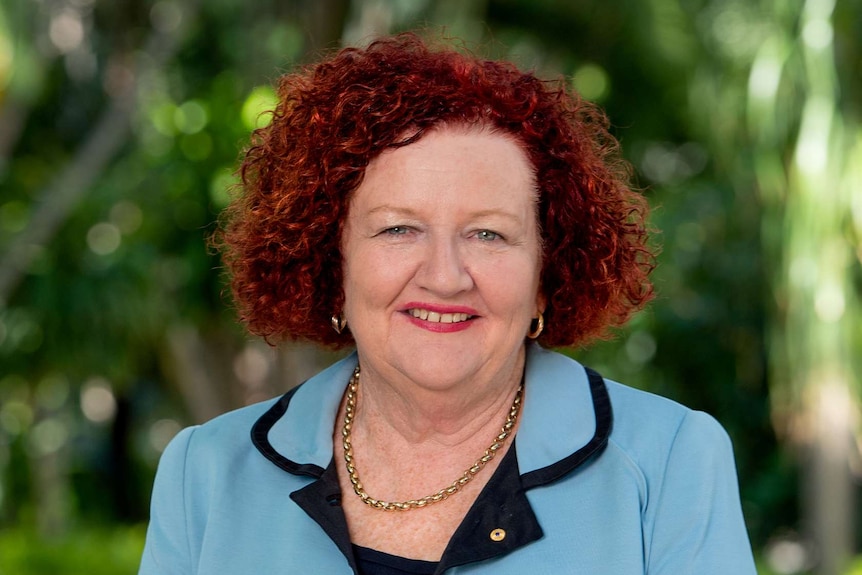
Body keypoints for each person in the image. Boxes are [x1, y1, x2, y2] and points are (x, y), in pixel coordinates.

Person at [139, 33, 756, 574]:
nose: (445, 276)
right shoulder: (205, 474)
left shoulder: (671, 462)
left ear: (546, 273)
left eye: (488, 234)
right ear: (333, 265)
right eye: (398, 229)